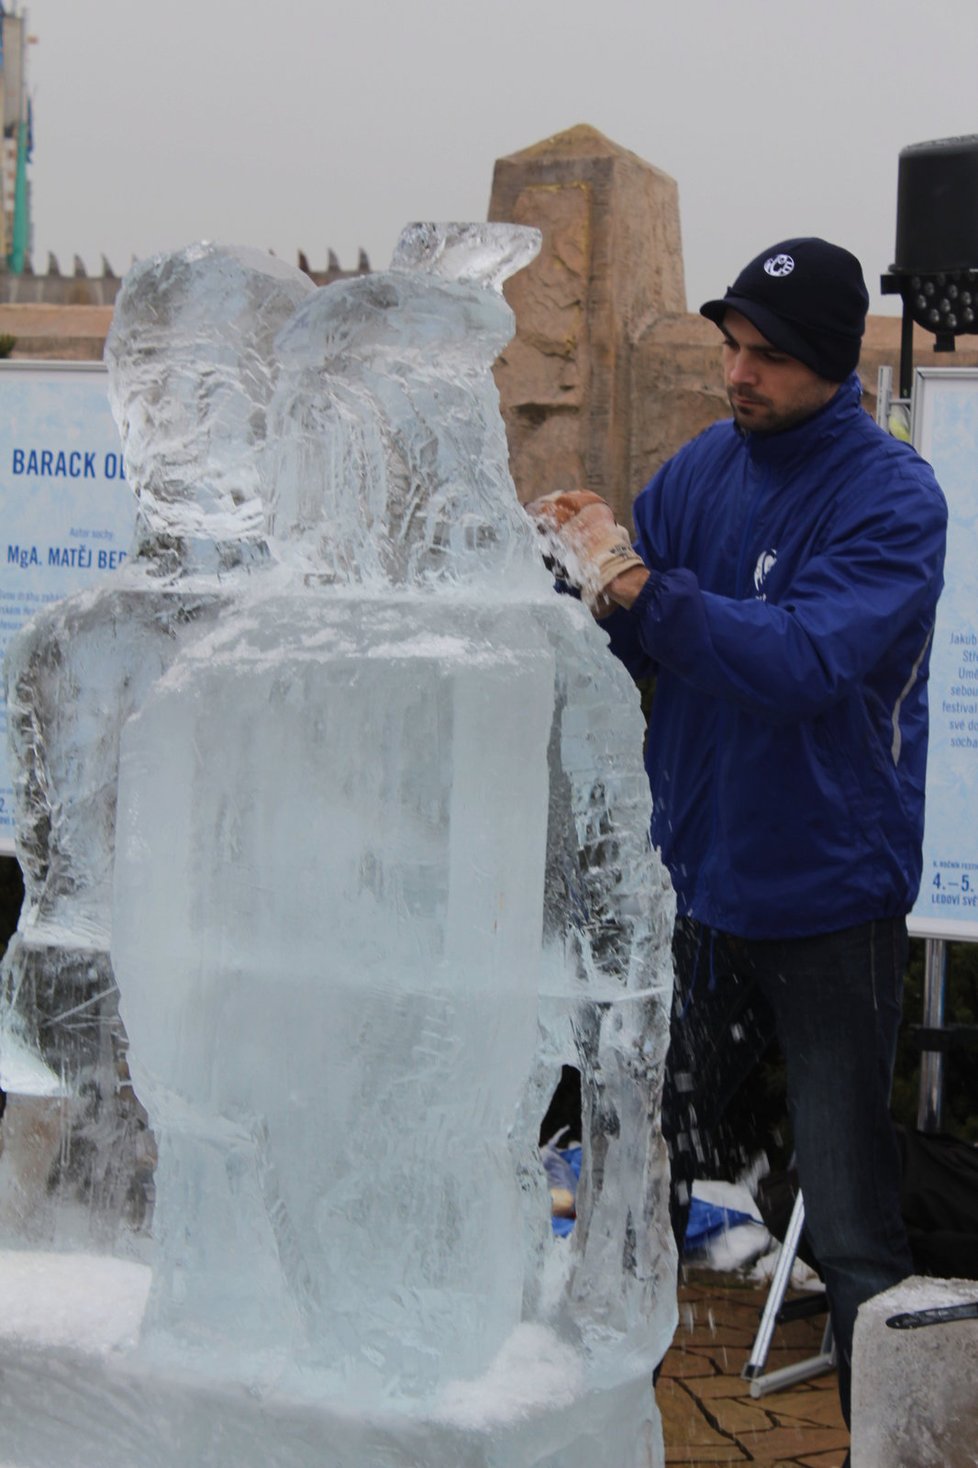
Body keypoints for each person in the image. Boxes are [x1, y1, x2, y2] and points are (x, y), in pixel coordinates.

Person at [527, 236, 947, 1434]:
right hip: (698, 890)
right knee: (632, 1182)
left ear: (829, 364)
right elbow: (623, 632)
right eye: (730, 347)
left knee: (854, 1225)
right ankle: (587, 1431)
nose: (738, 374)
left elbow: (806, 661)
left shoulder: (893, 496)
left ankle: (887, 1444)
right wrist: (557, 575)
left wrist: (641, 589)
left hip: (828, 902)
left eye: (766, 357)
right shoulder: (705, 467)